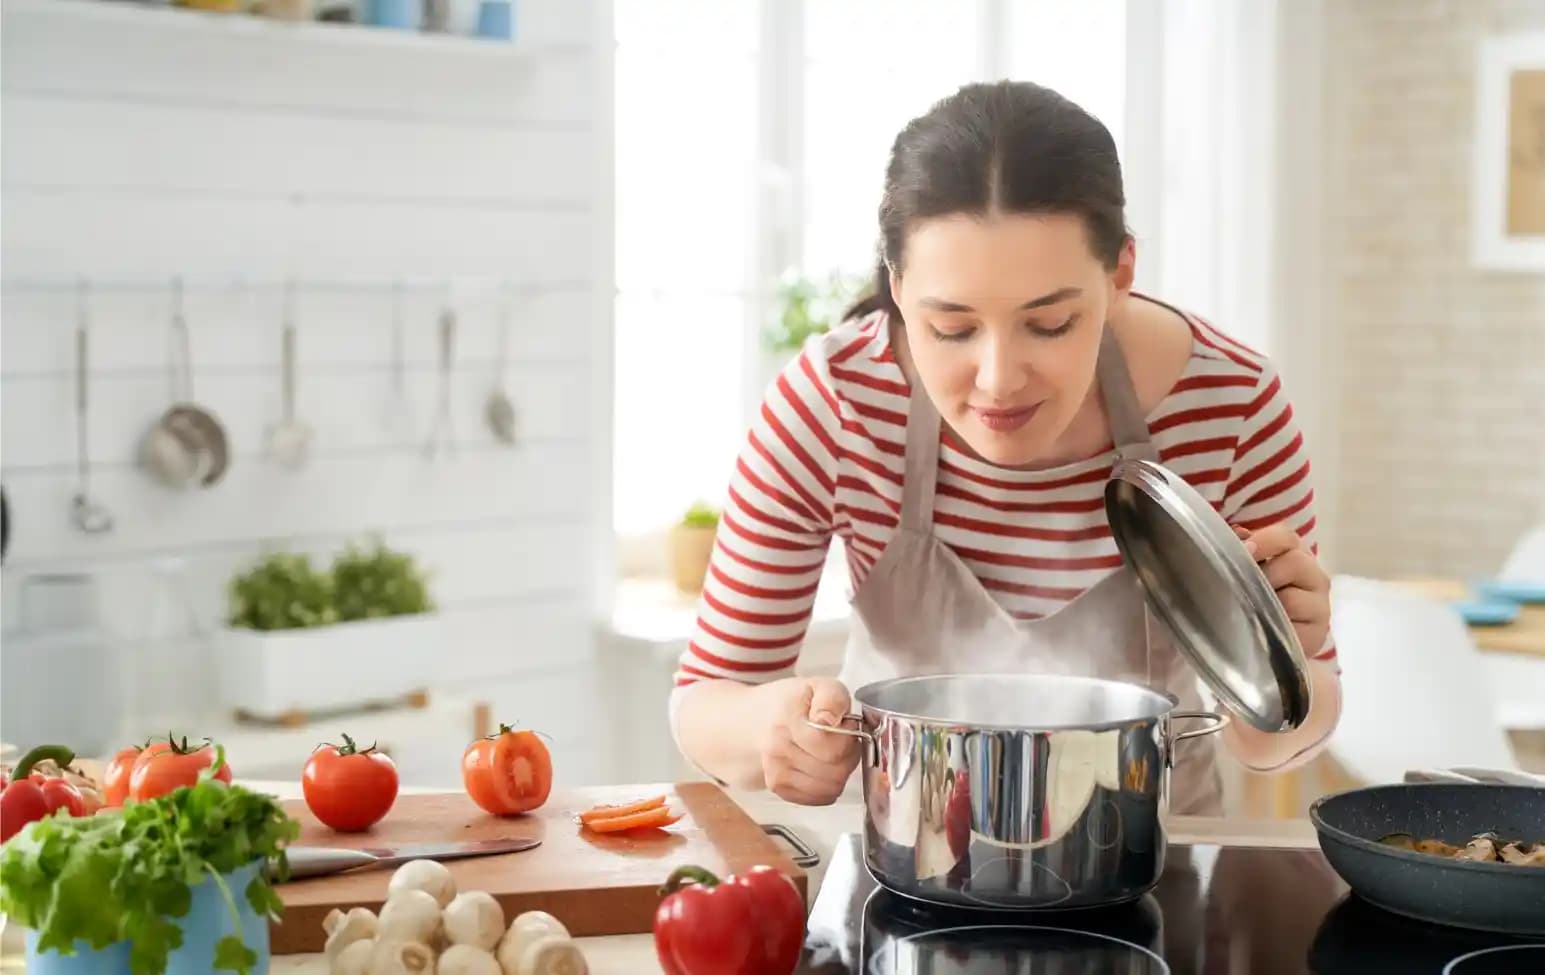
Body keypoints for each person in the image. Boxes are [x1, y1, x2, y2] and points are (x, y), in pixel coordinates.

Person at [669, 81, 1341, 814]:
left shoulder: (1229, 404)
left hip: (1156, 873)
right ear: (896, 287)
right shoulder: (834, 403)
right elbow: (706, 698)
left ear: (1118, 274)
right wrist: (772, 730)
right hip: (901, 865)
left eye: (1048, 323)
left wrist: (1284, 661)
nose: (996, 381)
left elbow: (1273, 744)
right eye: (951, 328)